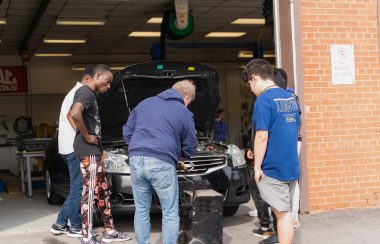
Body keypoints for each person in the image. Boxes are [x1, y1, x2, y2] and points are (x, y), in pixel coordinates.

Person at [123, 79, 198, 244]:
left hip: (136, 159)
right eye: (189, 102)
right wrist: (178, 154)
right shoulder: (183, 112)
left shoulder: (144, 104)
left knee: (141, 210)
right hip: (161, 162)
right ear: (186, 98)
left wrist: (138, 146)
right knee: (170, 212)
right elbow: (191, 146)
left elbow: (127, 131)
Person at [69, 64, 132, 244]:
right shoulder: (85, 92)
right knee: (89, 193)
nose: (109, 86)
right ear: (97, 76)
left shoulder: (90, 95)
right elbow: (74, 113)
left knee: (103, 191)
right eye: (108, 81)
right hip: (88, 152)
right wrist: (86, 135)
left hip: (94, 152)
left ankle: (110, 231)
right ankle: (86, 235)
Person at [243, 59, 300, 244]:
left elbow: (261, 136)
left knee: (282, 215)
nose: (251, 88)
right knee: (285, 213)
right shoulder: (290, 97)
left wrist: (257, 167)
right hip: (290, 165)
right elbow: (295, 128)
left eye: (249, 84)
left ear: (254, 78)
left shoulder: (263, 100)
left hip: (273, 167)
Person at [50, 66, 93, 238]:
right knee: (77, 188)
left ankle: (67, 224)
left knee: (77, 187)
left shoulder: (74, 91)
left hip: (67, 146)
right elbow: (71, 115)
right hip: (73, 147)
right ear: (88, 78)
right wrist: (86, 136)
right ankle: (67, 224)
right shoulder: (80, 92)